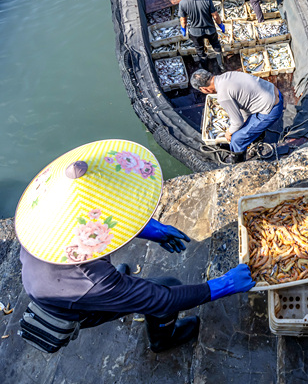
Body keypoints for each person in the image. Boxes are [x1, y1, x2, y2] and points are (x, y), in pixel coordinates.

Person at [15, 140, 255, 354]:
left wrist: (150, 229)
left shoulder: (41, 221)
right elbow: (164, 299)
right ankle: (163, 340)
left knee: (121, 285)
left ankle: (121, 290)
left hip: (48, 279)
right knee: (168, 286)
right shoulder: (96, 282)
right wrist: (225, 285)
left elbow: (98, 218)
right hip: (79, 303)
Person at [190, 68, 282, 164]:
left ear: (204, 89)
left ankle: (238, 163)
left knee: (236, 140)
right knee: (243, 127)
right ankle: (257, 135)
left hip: (272, 109)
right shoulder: (228, 75)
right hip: (275, 92)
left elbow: (238, 122)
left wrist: (229, 133)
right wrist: (245, 120)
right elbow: (243, 101)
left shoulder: (223, 96)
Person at [174, 0, 226, 70]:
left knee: (200, 50)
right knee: (216, 46)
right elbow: (215, 15)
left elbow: (183, 20)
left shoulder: (182, 3)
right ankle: (221, 65)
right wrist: (220, 25)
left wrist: (183, 29)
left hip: (195, 32)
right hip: (210, 29)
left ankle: (205, 69)